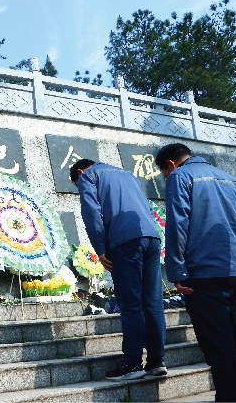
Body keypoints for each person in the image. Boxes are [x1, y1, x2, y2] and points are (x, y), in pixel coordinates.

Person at [155, 143, 236, 402]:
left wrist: (176, 270)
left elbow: (177, 224)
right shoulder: (232, 179)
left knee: (219, 347)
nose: (166, 176)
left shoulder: (180, 177)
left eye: (164, 172)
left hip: (204, 276)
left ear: (170, 163)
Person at [70, 159, 166, 380]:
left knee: (131, 303)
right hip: (151, 238)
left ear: (79, 172)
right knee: (152, 302)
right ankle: (156, 361)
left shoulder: (88, 176)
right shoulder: (127, 174)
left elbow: (92, 212)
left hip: (124, 242)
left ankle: (132, 364)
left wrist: (100, 249)